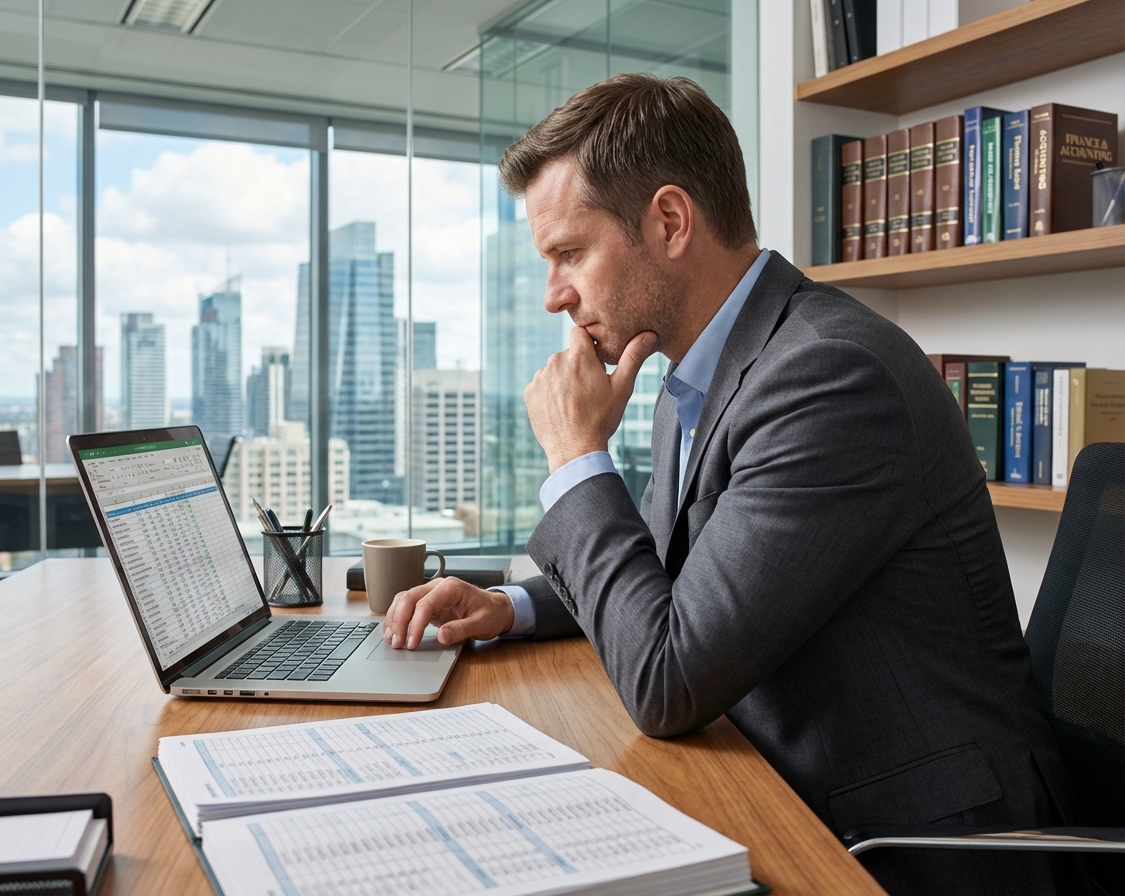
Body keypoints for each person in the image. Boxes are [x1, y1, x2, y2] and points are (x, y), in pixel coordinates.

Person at [382, 73, 1077, 895]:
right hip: (789, 786)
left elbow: (668, 677)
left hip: (911, 847)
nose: (553, 295)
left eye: (569, 252)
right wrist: (516, 605)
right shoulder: (698, 369)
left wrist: (575, 456)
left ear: (671, 221)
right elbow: (673, 573)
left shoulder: (827, 376)